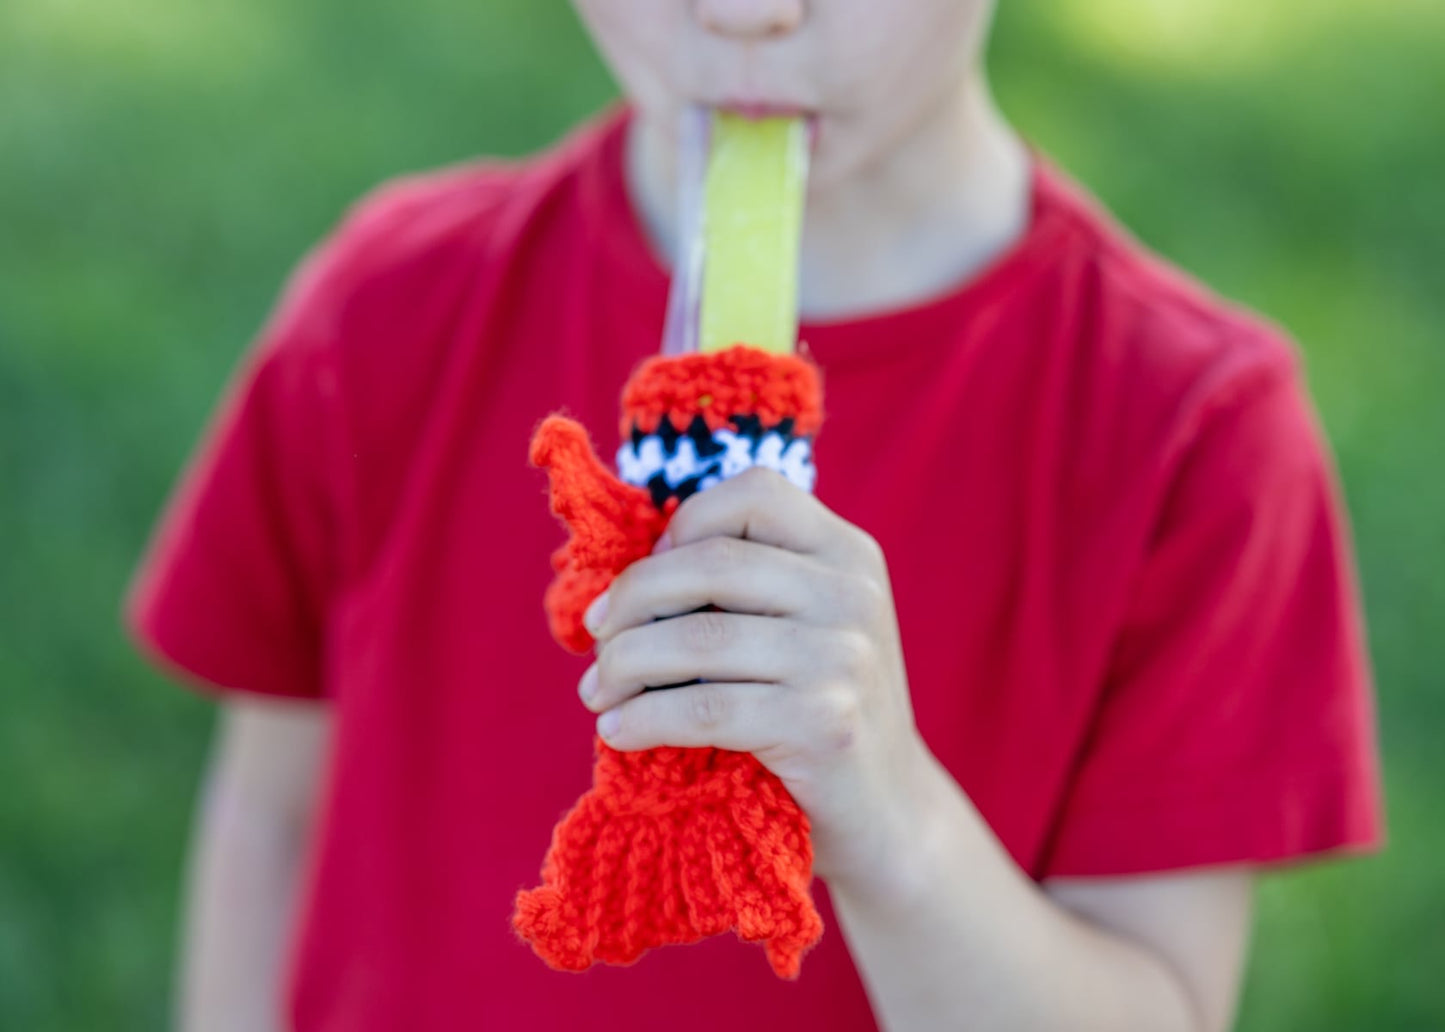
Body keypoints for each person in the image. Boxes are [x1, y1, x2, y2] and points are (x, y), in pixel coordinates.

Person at [121, 1, 1384, 1030]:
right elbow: (267, 817)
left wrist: (889, 821)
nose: (743, 15)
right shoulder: (386, 314)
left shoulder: (1190, 438)